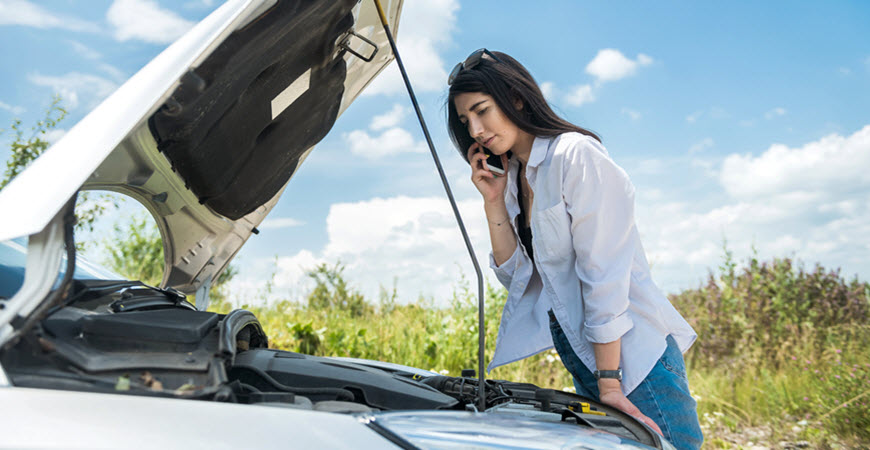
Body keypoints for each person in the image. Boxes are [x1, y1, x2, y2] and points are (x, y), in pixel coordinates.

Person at [446, 49, 703, 450]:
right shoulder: (514, 175)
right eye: (466, 121)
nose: (476, 130)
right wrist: (493, 201)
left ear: (515, 97)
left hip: (632, 361)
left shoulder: (574, 155)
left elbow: (603, 274)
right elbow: (516, 276)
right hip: (588, 355)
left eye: (482, 110)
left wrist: (610, 383)